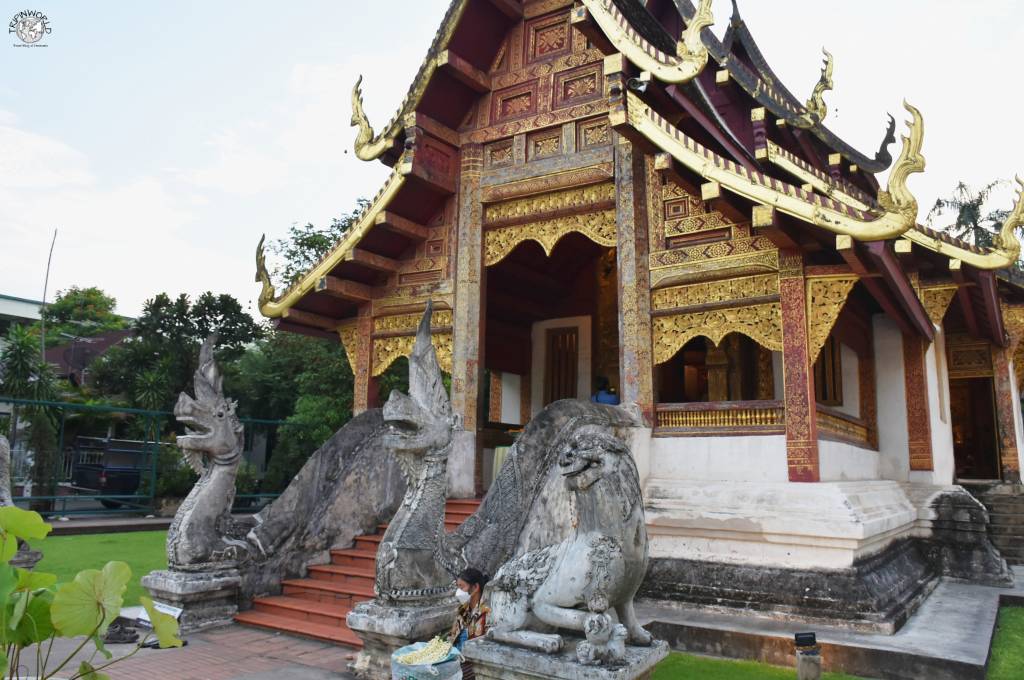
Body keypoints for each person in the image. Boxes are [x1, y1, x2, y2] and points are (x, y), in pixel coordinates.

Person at [449, 567, 490, 679]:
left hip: (473, 663)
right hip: (455, 658)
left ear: (476, 587)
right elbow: (452, 637)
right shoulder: (463, 609)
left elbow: (484, 648)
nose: (458, 591)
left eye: (461, 586)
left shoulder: (487, 612)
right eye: (458, 586)